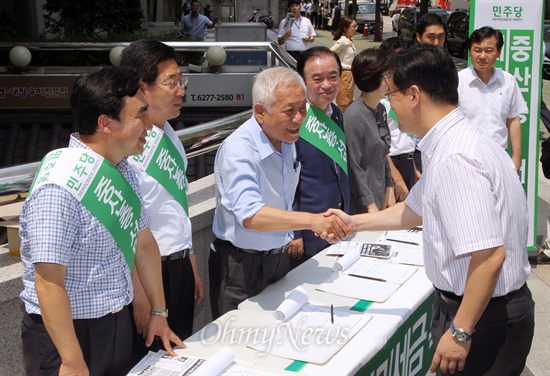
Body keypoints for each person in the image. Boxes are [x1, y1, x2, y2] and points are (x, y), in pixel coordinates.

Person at [328, 45, 535, 376]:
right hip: (478, 311)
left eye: (392, 95)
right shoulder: (454, 141)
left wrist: (461, 332)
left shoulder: (456, 158)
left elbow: (489, 255)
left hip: (484, 320)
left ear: (413, 95)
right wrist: (352, 223)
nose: (389, 106)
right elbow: (414, 211)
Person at [19, 66, 185, 376]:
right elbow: (48, 281)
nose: (149, 126)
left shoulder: (123, 169)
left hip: (116, 323)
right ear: (105, 123)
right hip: (67, 335)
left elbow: (144, 244)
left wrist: (158, 312)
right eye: (140, 115)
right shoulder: (59, 186)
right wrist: (71, 360)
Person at [208, 67, 351, 319]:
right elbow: (252, 216)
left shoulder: (286, 140)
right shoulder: (238, 151)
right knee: (240, 341)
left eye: (302, 109)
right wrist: (312, 220)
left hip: (278, 259)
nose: (299, 119)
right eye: (289, 111)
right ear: (261, 112)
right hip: (240, 266)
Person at [119, 40, 204, 361]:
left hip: (178, 265)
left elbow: (176, 207)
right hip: (149, 277)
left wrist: (191, 261)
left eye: (181, 81)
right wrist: (142, 300)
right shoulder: (127, 146)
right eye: (171, 82)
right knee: (151, 362)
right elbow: (123, 230)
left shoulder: (169, 134)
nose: (180, 90)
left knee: (178, 359)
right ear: (143, 87)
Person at [290, 47, 350, 269]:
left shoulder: (336, 113)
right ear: (303, 81)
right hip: (309, 229)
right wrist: (295, 232)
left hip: (339, 222)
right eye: (317, 78)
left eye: (333, 77)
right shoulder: (295, 120)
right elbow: (288, 181)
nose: (327, 84)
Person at [458, 26, 527, 172]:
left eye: (489, 51)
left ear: (499, 52)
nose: (482, 56)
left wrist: (516, 156)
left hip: (500, 157)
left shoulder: (508, 81)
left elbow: (513, 119)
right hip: (466, 158)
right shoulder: (457, 82)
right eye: (477, 50)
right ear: (470, 52)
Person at [345, 48, 395, 214]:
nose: (390, 81)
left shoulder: (380, 109)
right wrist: (369, 203)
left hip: (380, 195)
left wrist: (390, 187)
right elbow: (354, 165)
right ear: (372, 78)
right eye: (386, 77)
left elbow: (383, 155)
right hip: (362, 205)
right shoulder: (354, 115)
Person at [380, 37, 418, 199]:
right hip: (390, 167)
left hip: (409, 161)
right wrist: (396, 178)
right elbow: (380, 145)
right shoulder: (379, 100)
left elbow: (408, 138)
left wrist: (414, 169)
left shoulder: (409, 94)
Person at [412, 12, 447, 174]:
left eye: (441, 37)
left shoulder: (448, 69)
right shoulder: (408, 68)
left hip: (443, 147)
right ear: (419, 37)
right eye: (431, 37)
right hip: (415, 148)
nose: (436, 42)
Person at [330, 16, 357, 113]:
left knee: (348, 100)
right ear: (346, 28)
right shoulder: (342, 41)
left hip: (350, 75)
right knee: (343, 102)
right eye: (353, 26)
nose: (355, 28)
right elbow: (331, 52)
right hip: (345, 74)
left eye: (356, 26)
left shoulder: (349, 41)